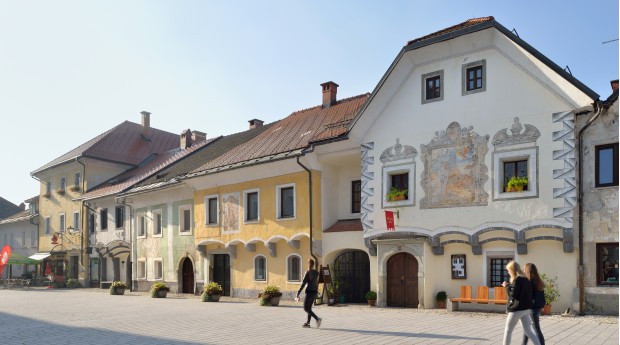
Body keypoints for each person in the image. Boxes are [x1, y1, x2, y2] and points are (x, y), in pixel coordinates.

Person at [502, 261, 541, 345]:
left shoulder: (517, 279)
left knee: (508, 331)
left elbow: (514, 295)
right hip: (526, 310)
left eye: (508, 270)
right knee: (529, 331)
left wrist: (507, 286)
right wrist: (510, 286)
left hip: (516, 310)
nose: (508, 272)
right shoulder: (525, 279)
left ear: (512, 270)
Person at [523, 263, 546, 345]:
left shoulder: (529, 282)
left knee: (536, 329)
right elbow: (542, 295)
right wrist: (542, 306)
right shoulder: (538, 281)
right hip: (537, 307)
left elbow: (528, 296)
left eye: (524, 269)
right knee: (527, 328)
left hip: (532, 308)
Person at [296, 259, 322, 328]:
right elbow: (316, 282)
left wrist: (298, 292)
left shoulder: (307, 272)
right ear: (313, 264)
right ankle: (308, 323)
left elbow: (303, 284)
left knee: (306, 308)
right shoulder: (316, 272)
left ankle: (317, 319)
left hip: (309, 292)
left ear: (308, 264)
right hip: (314, 292)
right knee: (309, 308)